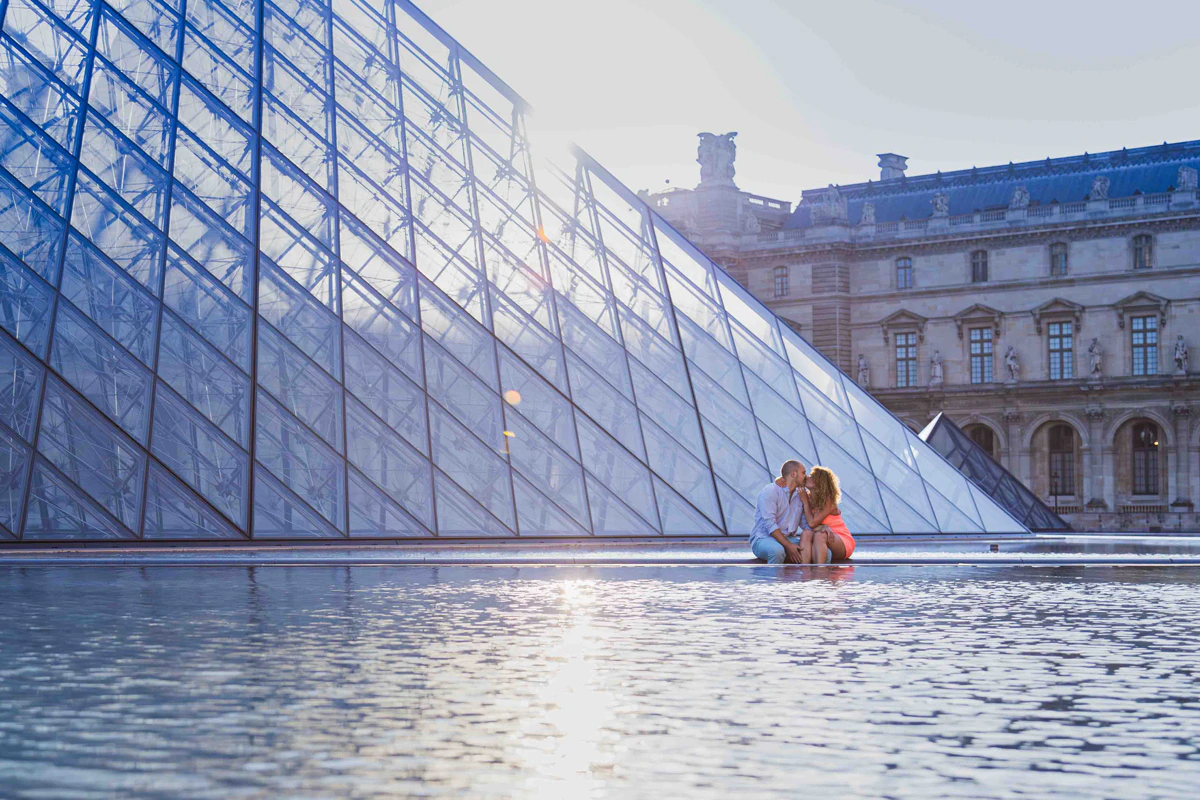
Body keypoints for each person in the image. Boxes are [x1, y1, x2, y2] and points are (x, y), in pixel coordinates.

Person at [749, 461, 807, 564]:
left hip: (789, 538)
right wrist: (788, 546)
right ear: (793, 474)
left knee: (823, 552)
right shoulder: (770, 491)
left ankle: (805, 579)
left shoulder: (800, 495)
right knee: (777, 551)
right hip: (764, 538)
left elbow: (804, 523)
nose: (806, 476)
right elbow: (769, 524)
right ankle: (774, 580)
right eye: (803, 473)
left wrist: (822, 528)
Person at [798, 466, 855, 563]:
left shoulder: (829, 501)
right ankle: (805, 571)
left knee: (820, 535)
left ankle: (820, 572)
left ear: (820, 483)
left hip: (840, 539)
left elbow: (812, 523)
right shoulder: (806, 496)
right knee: (807, 534)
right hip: (820, 535)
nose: (807, 477)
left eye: (812, 477)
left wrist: (805, 503)